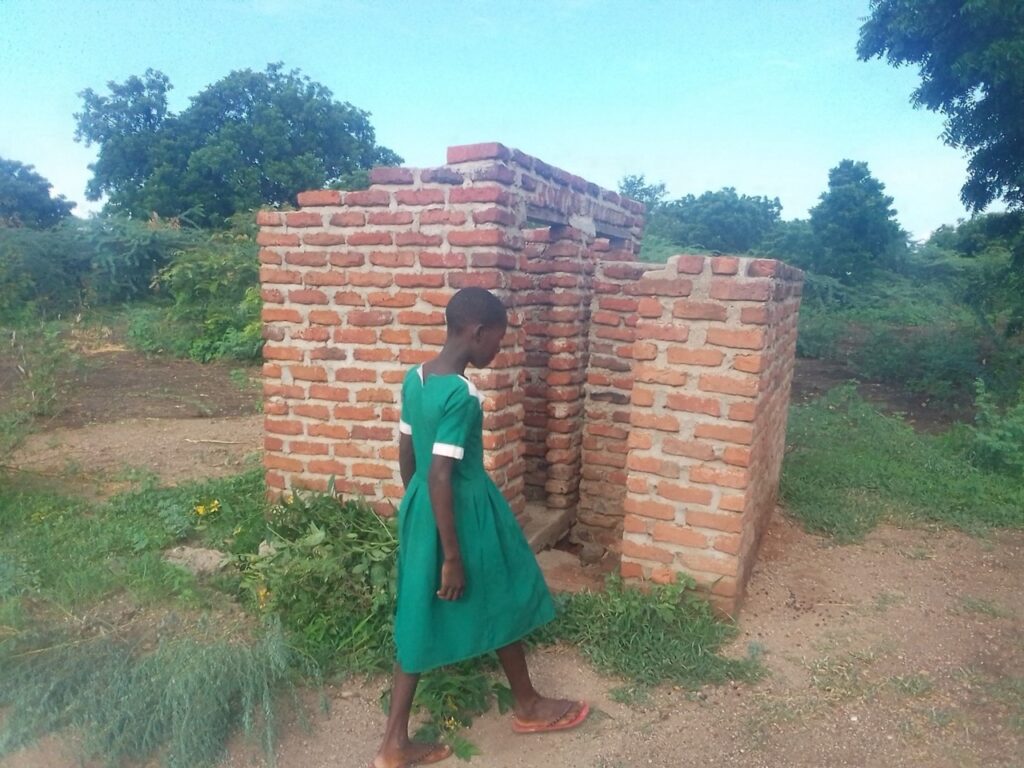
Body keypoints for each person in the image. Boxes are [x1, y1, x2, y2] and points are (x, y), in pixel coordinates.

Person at [371, 287, 589, 768]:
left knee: (425, 607)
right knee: (501, 588)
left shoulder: (416, 378)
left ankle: (399, 741)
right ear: (477, 332)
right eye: (498, 340)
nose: (497, 349)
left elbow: (408, 454)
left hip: (426, 509)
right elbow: (441, 473)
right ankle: (524, 706)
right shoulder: (462, 394)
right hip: (464, 510)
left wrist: (419, 513)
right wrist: (451, 554)